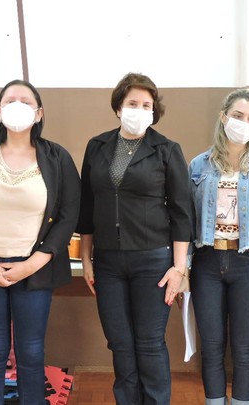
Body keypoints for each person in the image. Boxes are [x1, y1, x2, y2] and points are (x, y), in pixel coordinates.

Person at [0, 79, 80, 405]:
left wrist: (34, 262)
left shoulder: (57, 157)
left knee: (31, 350)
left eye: (26, 101)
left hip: (35, 269)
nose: (17, 106)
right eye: (10, 101)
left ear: (39, 113)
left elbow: (68, 215)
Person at [77, 72, 192, 405]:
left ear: (154, 111)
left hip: (153, 260)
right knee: (120, 345)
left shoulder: (167, 150)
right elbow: (87, 205)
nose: (139, 110)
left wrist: (178, 268)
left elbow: (182, 213)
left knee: (149, 343)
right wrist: (86, 258)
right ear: (118, 107)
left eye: (146, 105)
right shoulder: (97, 147)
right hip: (108, 262)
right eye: (132, 103)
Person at [188, 88, 249, 405]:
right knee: (211, 347)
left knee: (245, 350)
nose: (244, 123)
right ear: (223, 117)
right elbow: (187, 221)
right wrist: (184, 268)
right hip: (206, 263)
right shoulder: (199, 165)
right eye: (238, 115)